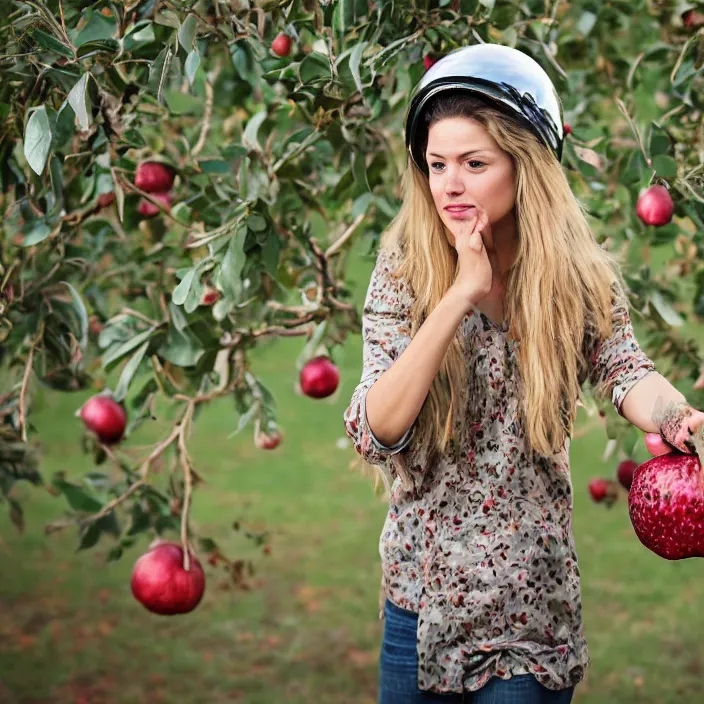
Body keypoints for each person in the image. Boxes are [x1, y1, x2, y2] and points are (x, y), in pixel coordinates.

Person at [342, 43, 663, 703]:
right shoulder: (407, 265)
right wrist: (459, 293)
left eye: (474, 163)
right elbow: (377, 429)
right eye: (436, 165)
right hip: (421, 607)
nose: (450, 185)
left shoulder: (572, 273)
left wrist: (678, 419)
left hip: (529, 609)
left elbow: (627, 370)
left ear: (526, 167)